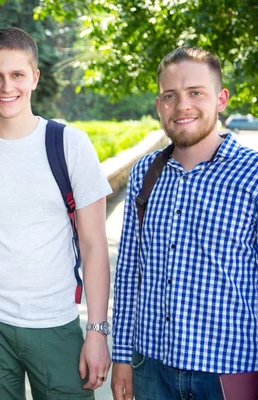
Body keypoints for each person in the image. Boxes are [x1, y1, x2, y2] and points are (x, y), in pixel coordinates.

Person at [0, 27, 112, 399]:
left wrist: (98, 331)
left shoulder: (69, 144)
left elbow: (93, 245)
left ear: (35, 77)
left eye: (17, 74)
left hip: (55, 324)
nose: (7, 87)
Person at [111, 46, 258, 400]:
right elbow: (131, 269)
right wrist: (121, 358)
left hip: (229, 369)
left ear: (221, 99)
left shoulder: (252, 174)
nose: (182, 106)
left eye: (196, 93)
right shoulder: (145, 173)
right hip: (151, 368)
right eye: (170, 96)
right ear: (159, 105)